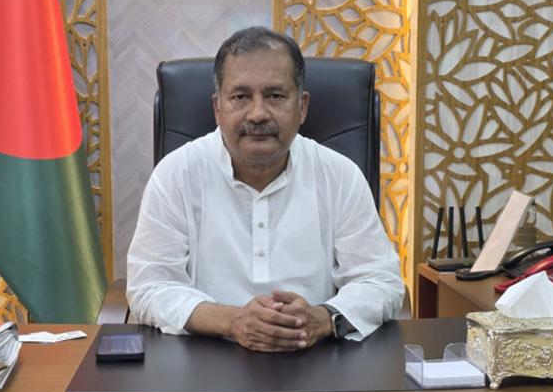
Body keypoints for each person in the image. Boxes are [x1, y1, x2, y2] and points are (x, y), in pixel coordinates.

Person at [127, 26, 404, 352]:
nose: (258, 114)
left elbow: (380, 281)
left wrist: (323, 319)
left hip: (316, 357)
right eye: (240, 97)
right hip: (204, 358)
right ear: (218, 108)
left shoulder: (340, 175)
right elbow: (149, 287)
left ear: (302, 106)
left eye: (275, 96)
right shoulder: (176, 174)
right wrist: (233, 322)